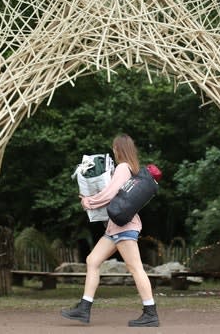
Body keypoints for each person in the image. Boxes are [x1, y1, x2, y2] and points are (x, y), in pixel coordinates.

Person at [60, 134, 159, 327]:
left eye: (114, 147)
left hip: (123, 228)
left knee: (135, 268)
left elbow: (110, 194)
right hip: (115, 228)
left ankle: (150, 313)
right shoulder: (132, 168)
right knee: (93, 260)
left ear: (118, 148)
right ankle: (84, 308)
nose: (113, 150)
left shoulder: (123, 167)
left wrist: (89, 201)